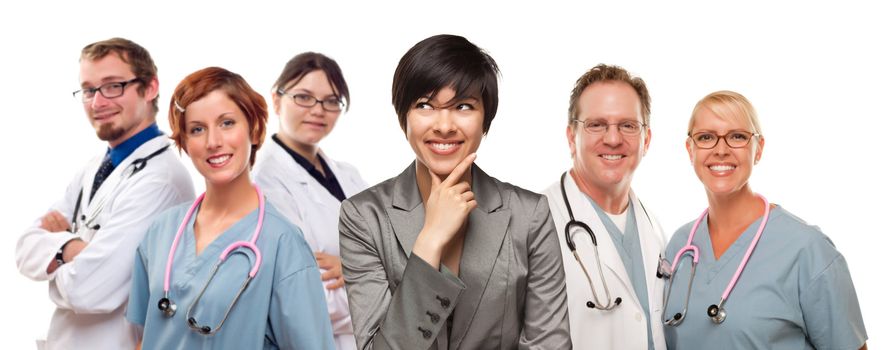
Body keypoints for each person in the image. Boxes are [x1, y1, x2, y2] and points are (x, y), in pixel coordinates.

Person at [339, 34, 571, 350]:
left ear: (485, 118)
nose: (444, 125)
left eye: (463, 106)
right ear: (403, 116)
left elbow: (549, 344)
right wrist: (430, 240)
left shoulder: (529, 215)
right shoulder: (363, 217)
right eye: (425, 105)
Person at [126, 67, 334, 349]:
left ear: (255, 129)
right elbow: (143, 337)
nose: (213, 142)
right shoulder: (161, 231)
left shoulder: (283, 243)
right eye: (197, 129)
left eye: (227, 123)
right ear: (185, 143)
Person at [14, 37, 194, 350]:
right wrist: (75, 248)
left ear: (150, 88)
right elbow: (25, 248)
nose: (97, 103)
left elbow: (89, 290)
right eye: (88, 89)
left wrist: (57, 252)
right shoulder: (96, 166)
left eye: (113, 86)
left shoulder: (160, 181)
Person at [662, 91, 868, 349]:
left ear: (758, 149)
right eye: (706, 137)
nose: (721, 150)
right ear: (690, 150)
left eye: (737, 136)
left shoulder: (807, 249)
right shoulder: (679, 248)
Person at [542, 64, 667, 349]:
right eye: (596, 124)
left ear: (646, 140)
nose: (613, 139)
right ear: (571, 137)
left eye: (628, 125)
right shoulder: (535, 222)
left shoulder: (655, 227)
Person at [253, 52, 367, 349]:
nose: (319, 110)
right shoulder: (263, 184)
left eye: (331, 101)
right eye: (304, 97)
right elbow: (309, 298)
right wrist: (377, 274)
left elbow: (397, 246)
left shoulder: (349, 175)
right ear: (276, 100)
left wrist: (353, 267)